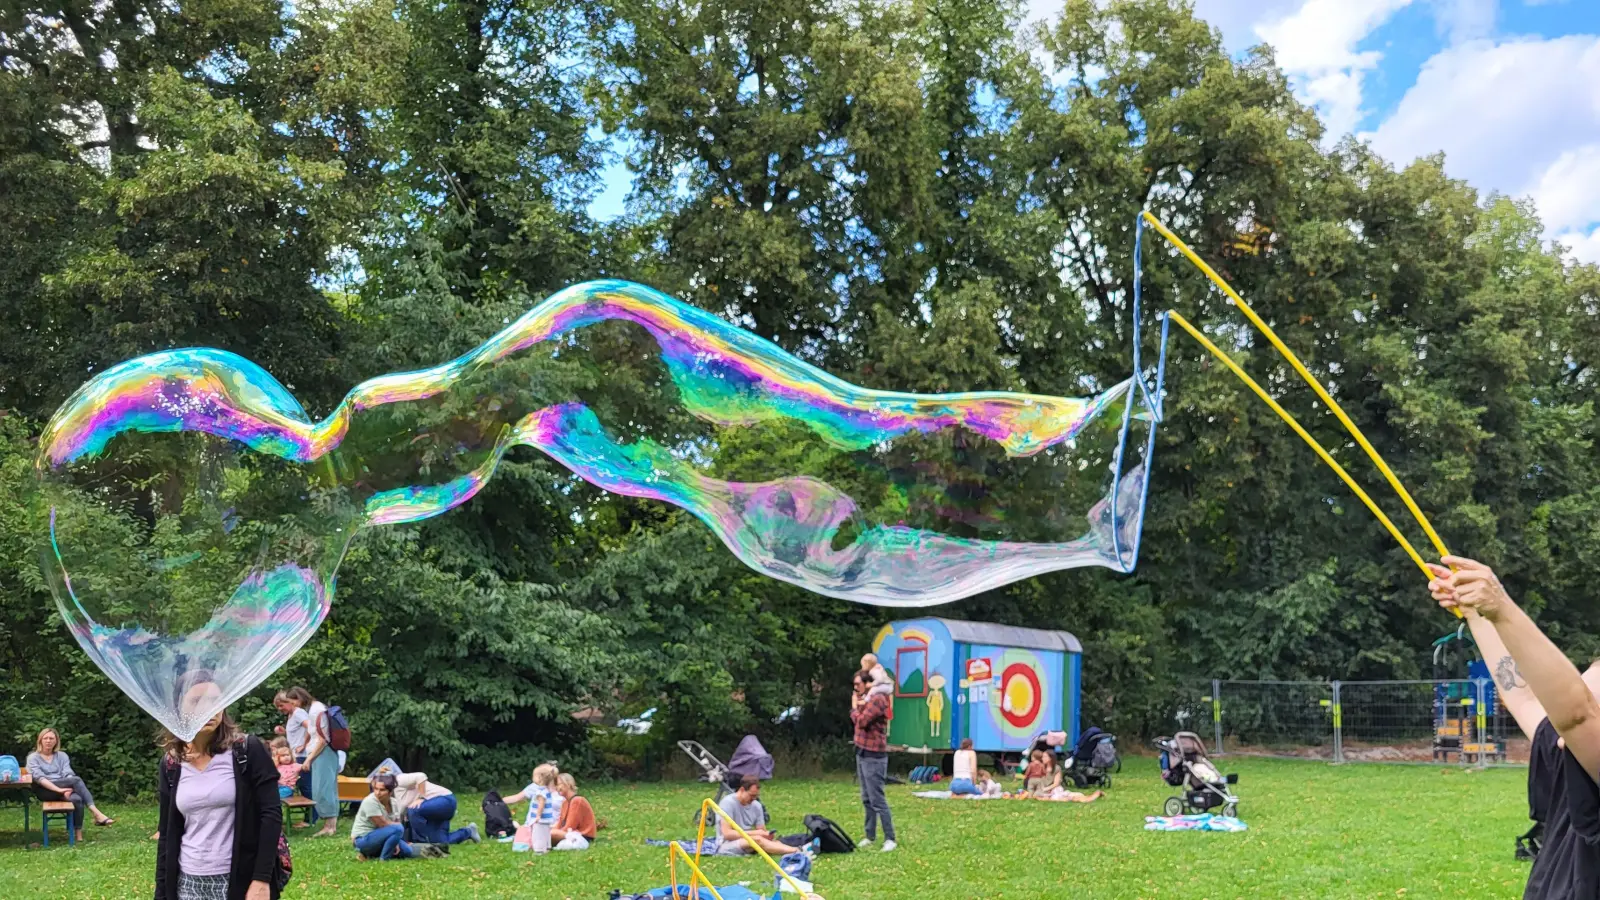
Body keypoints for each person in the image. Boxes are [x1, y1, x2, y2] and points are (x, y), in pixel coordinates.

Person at [1430, 556, 1600, 900]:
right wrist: (1477, 614)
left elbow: (1577, 714)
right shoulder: (1566, 752)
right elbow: (1521, 695)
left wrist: (1503, 608)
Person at [155, 674, 283, 900]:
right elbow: (167, 832)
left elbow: (271, 815)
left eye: (215, 700)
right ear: (178, 708)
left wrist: (261, 879)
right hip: (188, 882)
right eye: (196, 701)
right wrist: (162, 891)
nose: (209, 708)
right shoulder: (172, 764)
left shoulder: (247, 751)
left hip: (239, 879)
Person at [27, 727, 115, 841]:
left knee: (77, 799)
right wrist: (60, 790)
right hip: (44, 790)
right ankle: (97, 813)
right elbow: (40, 779)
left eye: (51, 738)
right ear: (40, 740)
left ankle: (78, 834)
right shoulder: (33, 757)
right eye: (45, 738)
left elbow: (68, 773)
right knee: (76, 780)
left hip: (64, 787)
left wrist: (68, 788)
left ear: (56, 741)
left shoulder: (62, 756)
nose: (48, 741)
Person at [850, 669, 897, 852]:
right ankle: (870, 835)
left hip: (874, 755)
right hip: (862, 751)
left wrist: (854, 708)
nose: (856, 689)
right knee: (866, 798)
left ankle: (890, 838)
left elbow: (862, 721)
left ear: (870, 683)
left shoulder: (878, 698)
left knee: (877, 799)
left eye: (858, 684)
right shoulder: (870, 698)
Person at [351, 773, 445, 861]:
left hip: (384, 837)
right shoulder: (370, 801)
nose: (377, 793)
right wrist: (396, 834)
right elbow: (382, 825)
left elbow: (394, 826)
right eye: (375, 789)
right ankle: (384, 859)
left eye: (382, 790)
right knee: (398, 827)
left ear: (390, 791)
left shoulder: (394, 803)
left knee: (407, 851)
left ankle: (370, 855)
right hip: (362, 840)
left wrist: (396, 840)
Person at [283, 687, 337, 836]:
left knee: (324, 788)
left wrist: (309, 758)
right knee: (321, 788)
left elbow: (323, 738)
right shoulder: (313, 709)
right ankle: (329, 824)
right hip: (318, 753)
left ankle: (330, 826)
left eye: (293, 700)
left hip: (323, 753)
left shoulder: (316, 710)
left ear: (299, 697)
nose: (293, 704)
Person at [716, 775, 801, 856]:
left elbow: (761, 831)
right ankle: (797, 851)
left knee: (773, 842)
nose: (754, 799)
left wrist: (767, 835)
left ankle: (798, 849)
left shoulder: (756, 805)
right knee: (757, 840)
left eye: (756, 796)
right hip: (726, 844)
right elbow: (727, 834)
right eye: (751, 795)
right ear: (742, 790)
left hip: (748, 841)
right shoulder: (727, 803)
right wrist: (756, 833)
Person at [392, 770, 481, 847]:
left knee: (413, 809)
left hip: (445, 800)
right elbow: (399, 823)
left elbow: (420, 776)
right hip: (431, 813)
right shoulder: (391, 803)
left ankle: (421, 844)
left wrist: (421, 798)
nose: (379, 792)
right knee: (439, 842)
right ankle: (469, 831)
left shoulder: (397, 780)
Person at [271, 691, 313, 826]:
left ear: (289, 702)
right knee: (301, 786)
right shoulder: (291, 715)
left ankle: (310, 819)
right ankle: (306, 818)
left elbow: (310, 727)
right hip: (296, 755)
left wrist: (304, 744)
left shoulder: (299, 713)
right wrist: (284, 731)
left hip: (303, 755)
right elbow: (297, 731)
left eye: (281, 705)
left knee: (306, 786)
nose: (280, 709)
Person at [551, 773, 597, 850]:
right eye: (556, 785)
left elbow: (570, 826)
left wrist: (554, 833)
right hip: (569, 833)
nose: (557, 788)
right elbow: (559, 823)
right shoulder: (564, 803)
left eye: (559, 784)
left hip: (582, 836)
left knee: (549, 834)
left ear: (568, 784)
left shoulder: (577, 801)